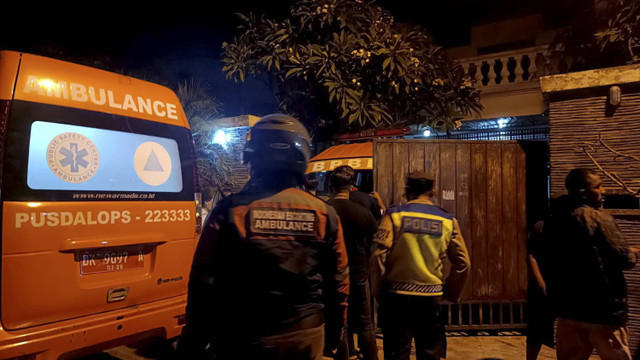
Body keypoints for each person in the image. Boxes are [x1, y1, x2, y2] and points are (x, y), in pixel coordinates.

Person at [177, 114, 350, 360]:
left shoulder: (230, 211)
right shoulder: (324, 214)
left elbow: (203, 284)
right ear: (301, 158)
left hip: (241, 338)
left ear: (253, 157)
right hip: (305, 338)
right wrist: (334, 336)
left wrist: (193, 340)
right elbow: (339, 285)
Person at [371, 172, 470, 360]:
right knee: (430, 353)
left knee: (396, 354)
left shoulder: (395, 215)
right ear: (433, 191)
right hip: (431, 299)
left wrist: (379, 292)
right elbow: (463, 263)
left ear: (407, 190)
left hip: (397, 299)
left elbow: (378, 254)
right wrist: (450, 292)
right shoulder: (447, 220)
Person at [544, 168, 639, 360]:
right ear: (583, 192)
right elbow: (623, 259)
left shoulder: (556, 221)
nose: (603, 191)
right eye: (598, 186)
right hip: (604, 312)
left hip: (569, 311)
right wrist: (633, 252)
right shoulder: (599, 219)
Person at [327, 165, 380, 360]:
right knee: (365, 323)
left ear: (331, 185)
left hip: (333, 275)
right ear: (351, 187)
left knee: (341, 323)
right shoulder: (361, 212)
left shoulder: (325, 211)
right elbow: (376, 241)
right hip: (359, 272)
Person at [525, 192, 571, 360]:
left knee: (568, 331)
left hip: (563, 284)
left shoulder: (571, 228)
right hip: (544, 285)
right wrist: (540, 282)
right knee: (537, 330)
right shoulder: (540, 227)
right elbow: (531, 256)